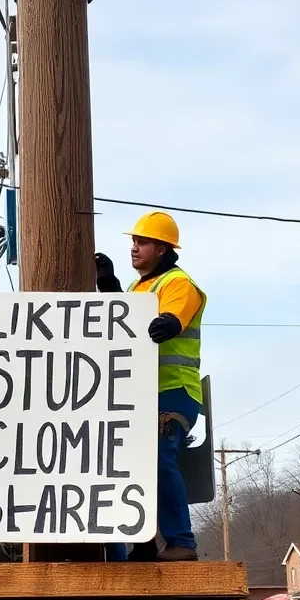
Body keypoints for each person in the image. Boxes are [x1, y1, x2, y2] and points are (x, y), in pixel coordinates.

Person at [95, 211, 205, 561]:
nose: (134, 247)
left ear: (162, 248)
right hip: (142, 395)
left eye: (141, 242)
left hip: (174, 392)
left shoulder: (177, 283)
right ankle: (142, 540)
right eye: (133, 241)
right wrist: (111, 286)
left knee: (158, 458)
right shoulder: (137, 288)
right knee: (126, 466)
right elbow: (128, 321)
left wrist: (168, 324)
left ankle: (181, 542)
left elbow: (173, 315)